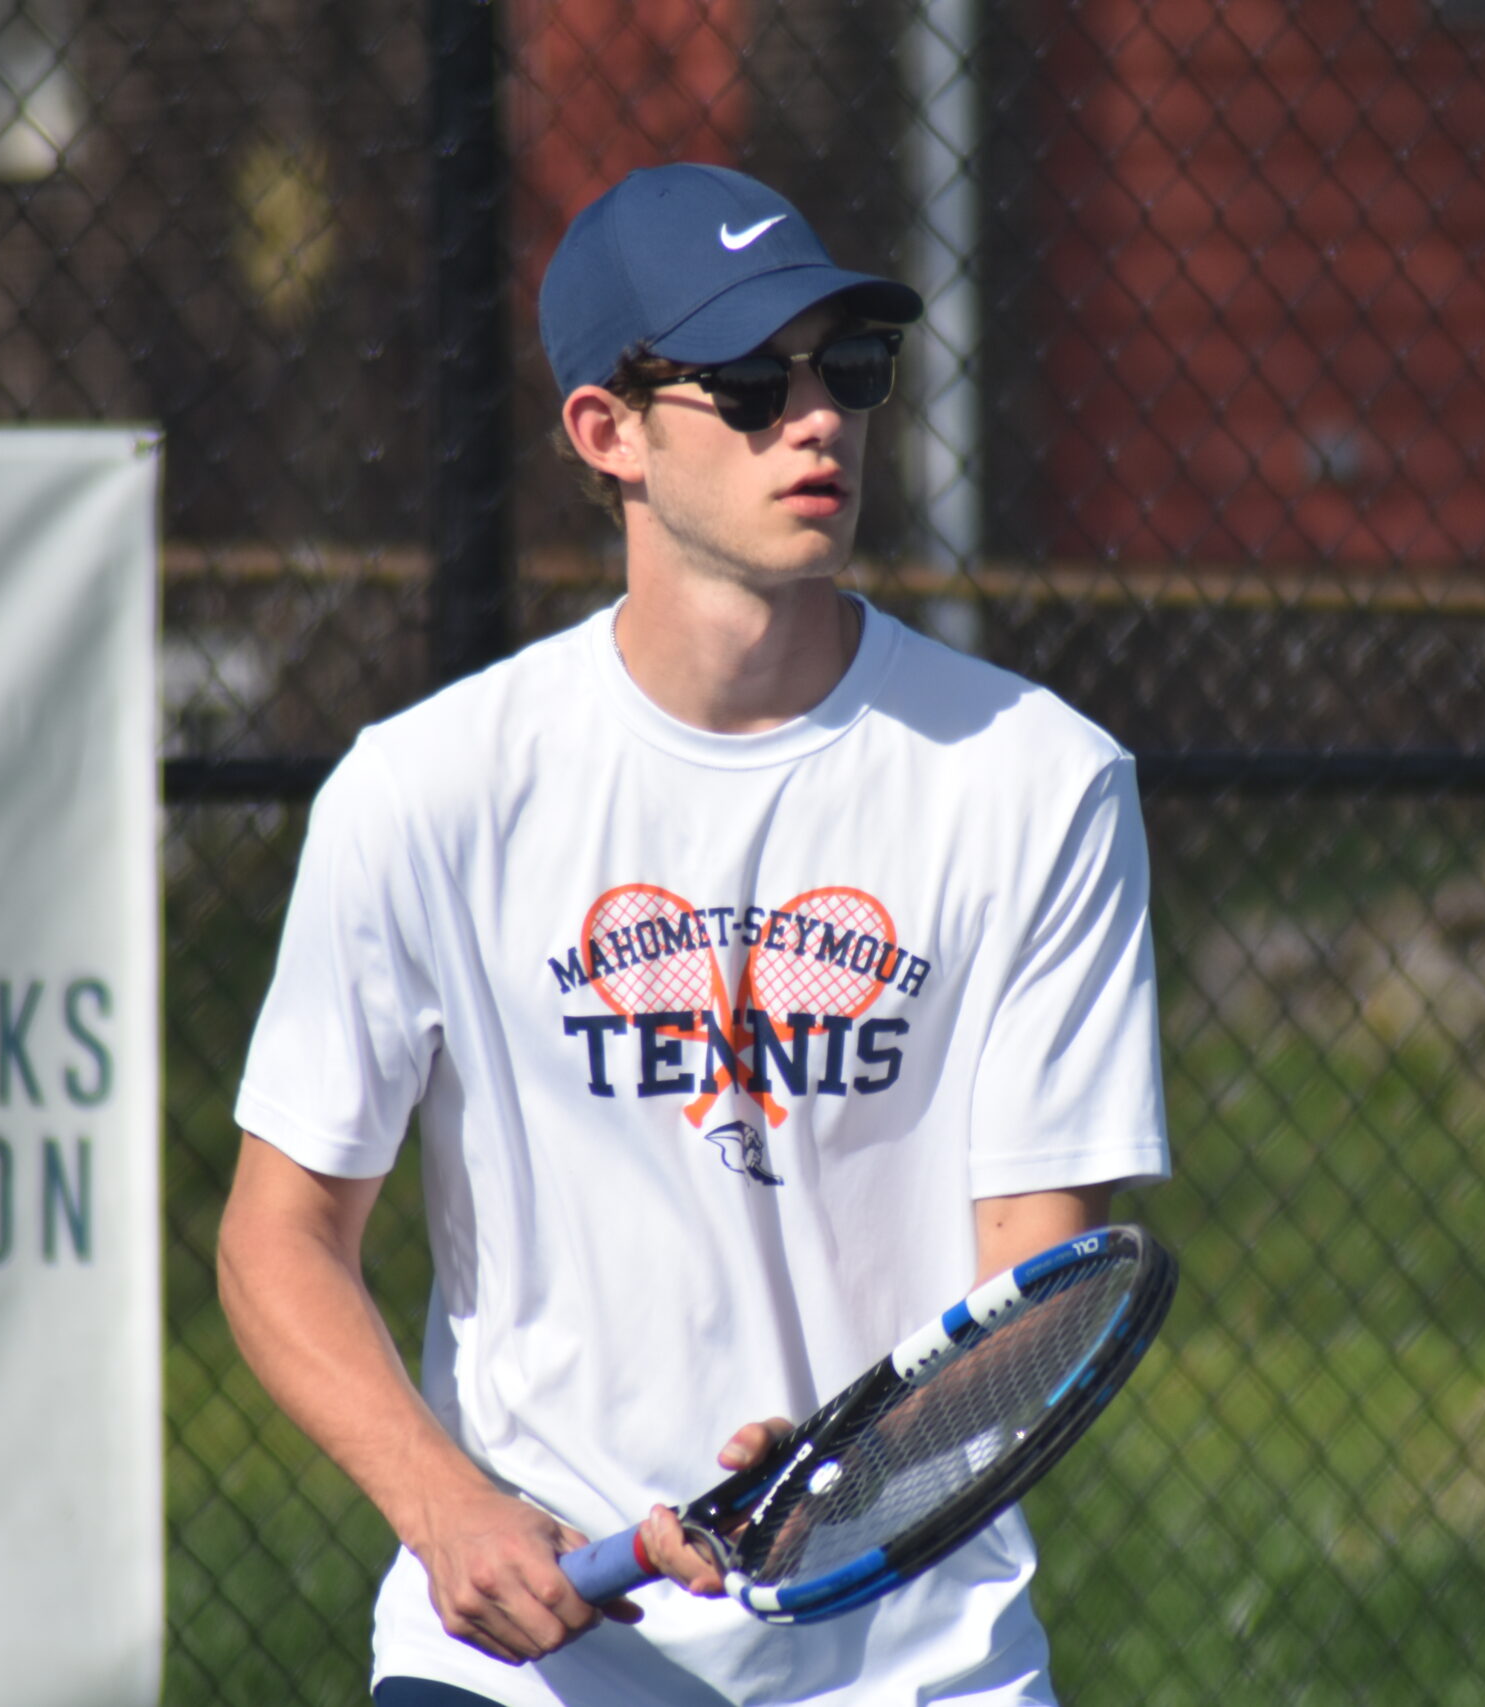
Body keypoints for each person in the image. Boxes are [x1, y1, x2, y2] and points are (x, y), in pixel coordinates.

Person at [218, 161, 1170, 1707]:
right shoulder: (426, 790)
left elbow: (1032, 1293)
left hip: (914, 1670)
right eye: (747, 381)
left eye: (846, 369)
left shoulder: (1038, 781)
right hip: (524, 1674)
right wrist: (443, 1506)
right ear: (611, 434)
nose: (817, 420)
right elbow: (280, 1236)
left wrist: (852, 1468)